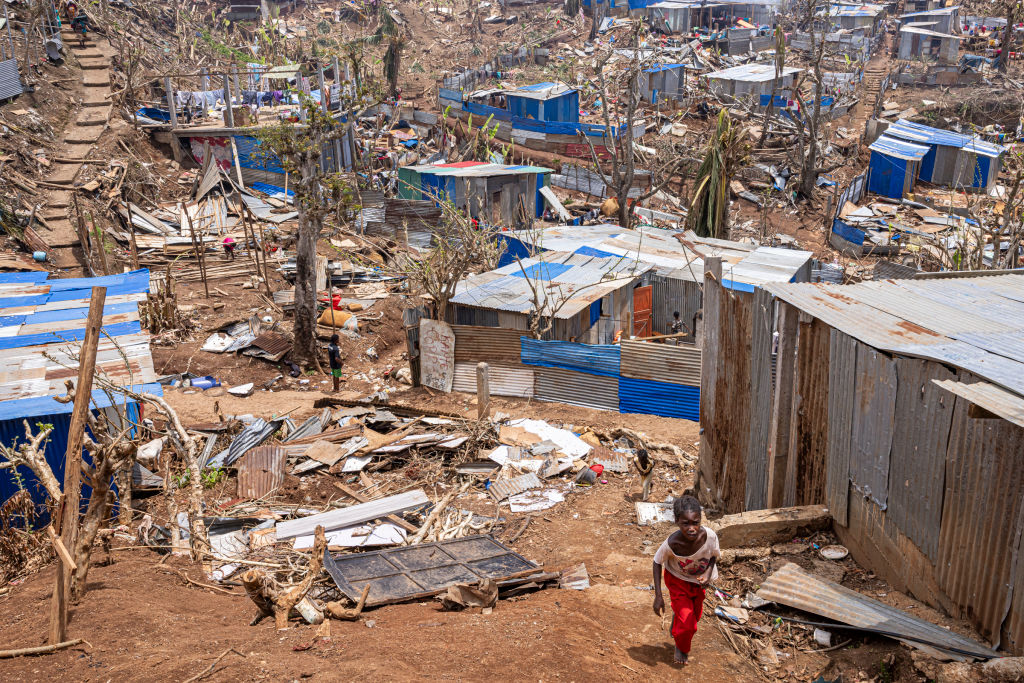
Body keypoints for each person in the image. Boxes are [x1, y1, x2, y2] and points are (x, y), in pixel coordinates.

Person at [652, 495, 720, 666]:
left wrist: (708, 574)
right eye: (686, 523)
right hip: (677, 581)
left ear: (700, 520)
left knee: (695, 616)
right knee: (688, 624)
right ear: (677, 521)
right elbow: (656, 562)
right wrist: (658, 596)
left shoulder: (710, 537)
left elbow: (713, 557)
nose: (691, 528)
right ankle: (681, 647)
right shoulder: (672, 543)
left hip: (698, 582)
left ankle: (678, 625)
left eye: (695, 523)